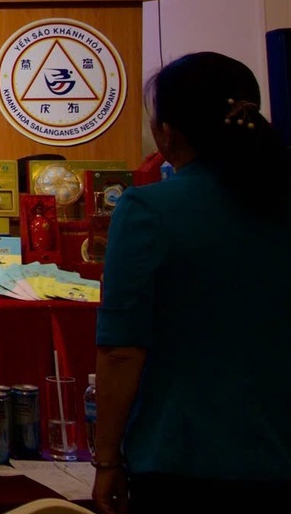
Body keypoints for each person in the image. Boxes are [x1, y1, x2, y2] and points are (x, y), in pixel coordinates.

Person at [91, 53, 291, 514]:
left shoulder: (149, 210)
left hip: (186, 457)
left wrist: (106, 459)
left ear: (167, 132)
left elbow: (121, 350)